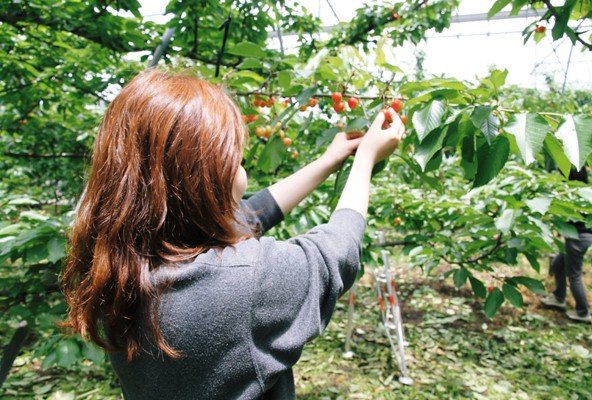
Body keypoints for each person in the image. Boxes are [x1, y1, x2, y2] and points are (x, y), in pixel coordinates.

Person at [60, 67, 405, 399]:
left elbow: (250, 215)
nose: (241, 164)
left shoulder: (122, 262)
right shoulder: (243, 284)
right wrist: (366, 160)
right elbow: (337, 252)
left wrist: (329, 160)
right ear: (206, 177)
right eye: (235, 157)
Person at [540, 166, 592, 323]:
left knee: (574, 275)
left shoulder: (575, 196)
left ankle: (583, 312)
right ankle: (558, 297)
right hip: (580, 237)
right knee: (558, 264)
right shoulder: (585, 191)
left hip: (578, 239)